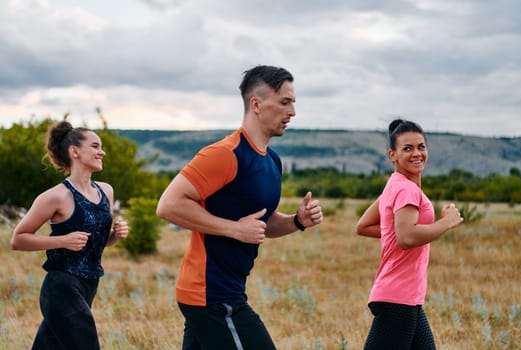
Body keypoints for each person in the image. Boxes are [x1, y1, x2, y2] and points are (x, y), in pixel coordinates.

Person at [156, 65, 324, 350]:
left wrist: (297, 221)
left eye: (294, 103)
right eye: (285, 102)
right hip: (212, 294)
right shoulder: (225, 153)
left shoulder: (272, 161)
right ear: (256, 104)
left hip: (221, 290)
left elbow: (262, 223)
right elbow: (168, 206)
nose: (293, 112)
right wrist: (233, 229)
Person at [11, 120, 129, 349]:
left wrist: (114, 236)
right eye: (95, 146)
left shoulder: (106, 191)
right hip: (61, 287)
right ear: (74, 151)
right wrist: (62, 241)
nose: (102, 152)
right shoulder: (55, 197)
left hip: (89, 285)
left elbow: (94, 244)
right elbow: (18, 239)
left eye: (101, 147)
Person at [356, 118, 463, 350]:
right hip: (398, 298)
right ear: (392, 155)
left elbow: (363, 226)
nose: (417, 153)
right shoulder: (406, 189)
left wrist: (396, 231)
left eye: (421, 146)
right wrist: (447, 223)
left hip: (406, 297)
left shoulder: (395, 185)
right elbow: (406, 238)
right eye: (407, 148)